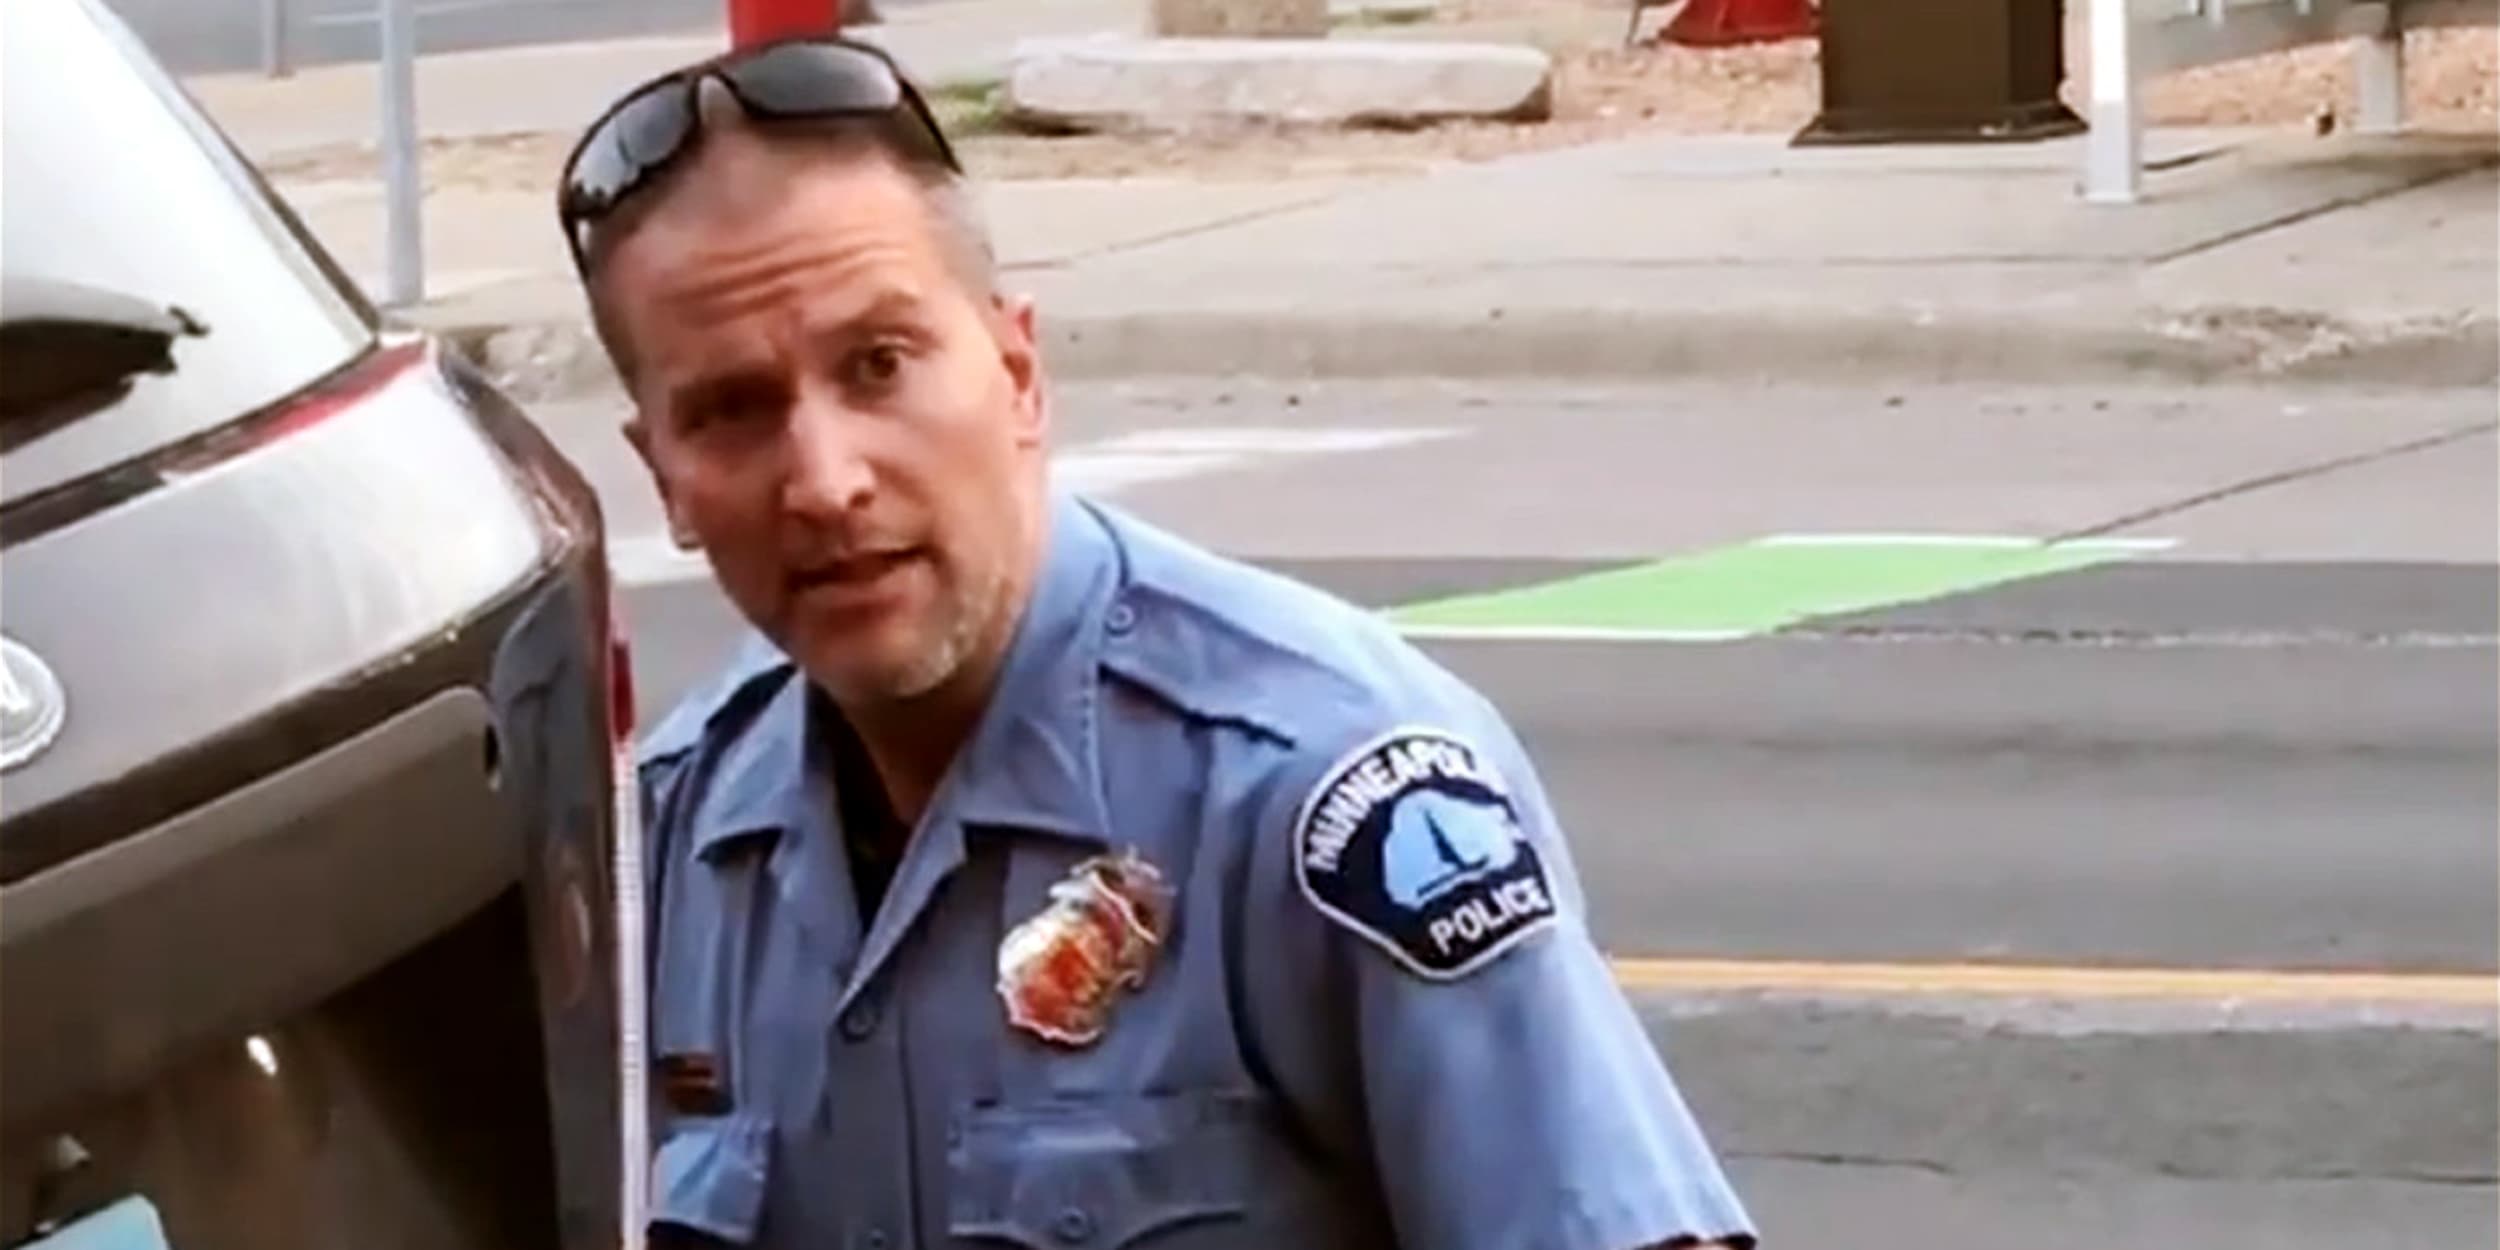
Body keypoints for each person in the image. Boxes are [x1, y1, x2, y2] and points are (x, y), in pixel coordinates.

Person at [557, 36, 1759, 1250]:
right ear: (663, 477)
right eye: (732, 410)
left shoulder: (1318, 785)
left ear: (1018, 374)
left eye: (879, 366)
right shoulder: (671, 844)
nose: (825, 481)